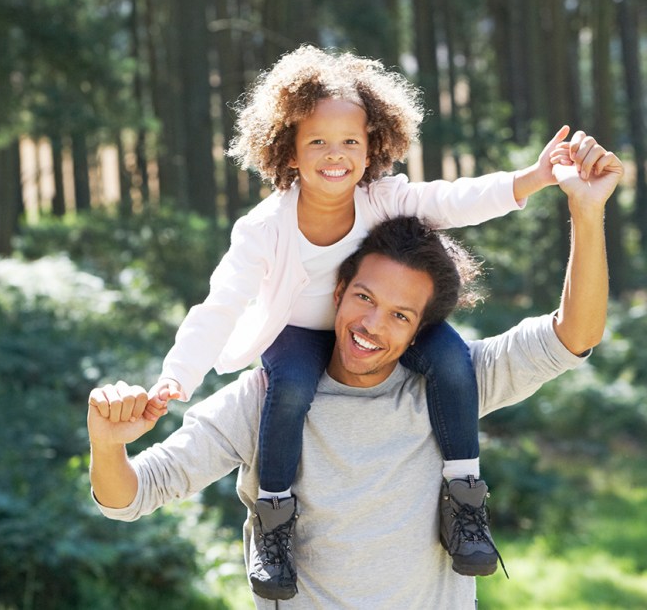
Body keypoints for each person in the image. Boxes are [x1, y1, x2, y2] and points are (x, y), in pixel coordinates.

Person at [88, 132, 622, 609]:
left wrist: (586, 211)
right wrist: (109, 446)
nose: (371, 325)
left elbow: (574, 336)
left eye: (400, 316)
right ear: (338, 290)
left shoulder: (450, 383)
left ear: (420, 332)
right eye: (363, 297)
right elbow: (132, 496)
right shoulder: (265, 399)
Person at [139, 45, 568, 598]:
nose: (334, 154)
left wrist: (531, 179)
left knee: (452, 360)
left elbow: (454, 199)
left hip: (369, 322)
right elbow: (220, 304)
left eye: (350, 141)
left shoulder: (383, 198)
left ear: (373, 148)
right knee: (288, 389)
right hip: (296, 337)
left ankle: (464, 498)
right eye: (316, 141)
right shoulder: (263, 228)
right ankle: (275, 522)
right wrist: (178, 375)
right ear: (288, 151)